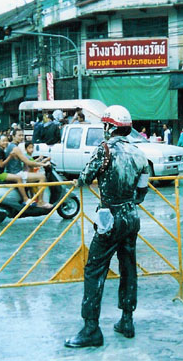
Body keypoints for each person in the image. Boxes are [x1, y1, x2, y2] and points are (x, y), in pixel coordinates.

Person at [65, 105, 149, 348]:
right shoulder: (139, 153)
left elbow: (84, 178)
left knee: (94, 269)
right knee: (128, 267)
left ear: (110, 128)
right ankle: (127, 320)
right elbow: (141, 191)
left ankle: (91, 328)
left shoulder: (104, 150)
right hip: (132, 216)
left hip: (109, 217)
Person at [5, 129, 53, 209]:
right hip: (17, 173)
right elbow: (28, 162)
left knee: (33, 176)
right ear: (13, 136)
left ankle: (33, 198)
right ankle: (40, 202)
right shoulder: (15, 148)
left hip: (14, 172)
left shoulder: (11, 146)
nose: (21, 137)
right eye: (19, 135)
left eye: (22, 135)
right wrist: (43, 164)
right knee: (42, 177)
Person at [0, 135, 32, 203]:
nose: (6, 142)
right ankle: (25, 198)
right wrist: (10, 156)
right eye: (3, 141)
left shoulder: (2, 150)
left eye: (6, 140)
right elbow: (1, 165)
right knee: (18, 178)